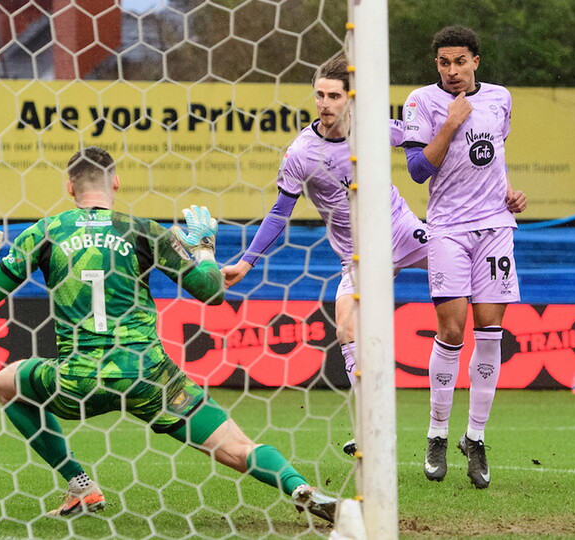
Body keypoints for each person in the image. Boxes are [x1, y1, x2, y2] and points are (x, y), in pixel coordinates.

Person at [0, 146, 338, 522]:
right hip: (150, 376)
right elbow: (213, 292)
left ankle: (79, 484)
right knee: (237, 447)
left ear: (69, 188)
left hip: (77, 380)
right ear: (116, 182)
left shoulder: (44, 232)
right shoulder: (144, 231)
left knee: (6, 382)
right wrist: (205, 250)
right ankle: (299, 487)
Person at [221, 52, 429, 455]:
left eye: (333, 95)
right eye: (319, 95)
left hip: (402, 230)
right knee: (346, 329)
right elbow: (280, 212)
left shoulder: (374, 129)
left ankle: (456, 426)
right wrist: (247, 261)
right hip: (358, 257)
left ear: (349, 98)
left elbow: (427, 144)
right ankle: (373, 426)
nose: (324, 103)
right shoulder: (302, 153)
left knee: (464, 264)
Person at [401, 26, 527, 489]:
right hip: (448, 230)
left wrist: (510, 194)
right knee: (452, 330)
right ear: (436, 65)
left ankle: (474, 438)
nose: (451, 71)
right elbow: (417, 171)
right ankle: (436, 433)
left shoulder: (501, 98)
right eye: (443, 63)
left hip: (496, 227)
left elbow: (493, 157)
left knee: (490, 333)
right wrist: (451, 122)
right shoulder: (421, 102)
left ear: (476, 61)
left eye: (459, 62)